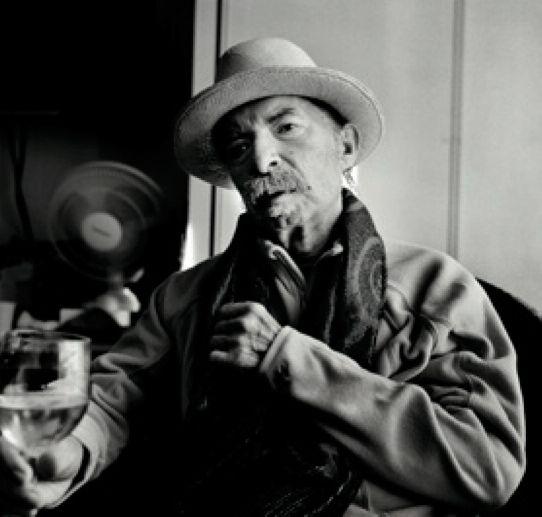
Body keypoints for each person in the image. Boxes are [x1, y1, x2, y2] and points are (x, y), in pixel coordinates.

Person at [0, 37, 525, 517]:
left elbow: (486, 468)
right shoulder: (184, 297)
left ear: (344, 146)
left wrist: (286, 358)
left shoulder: (437, 288)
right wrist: (69, 452)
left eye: (286, 127)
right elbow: (115, 398)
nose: (261, 159)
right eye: (237, 146)